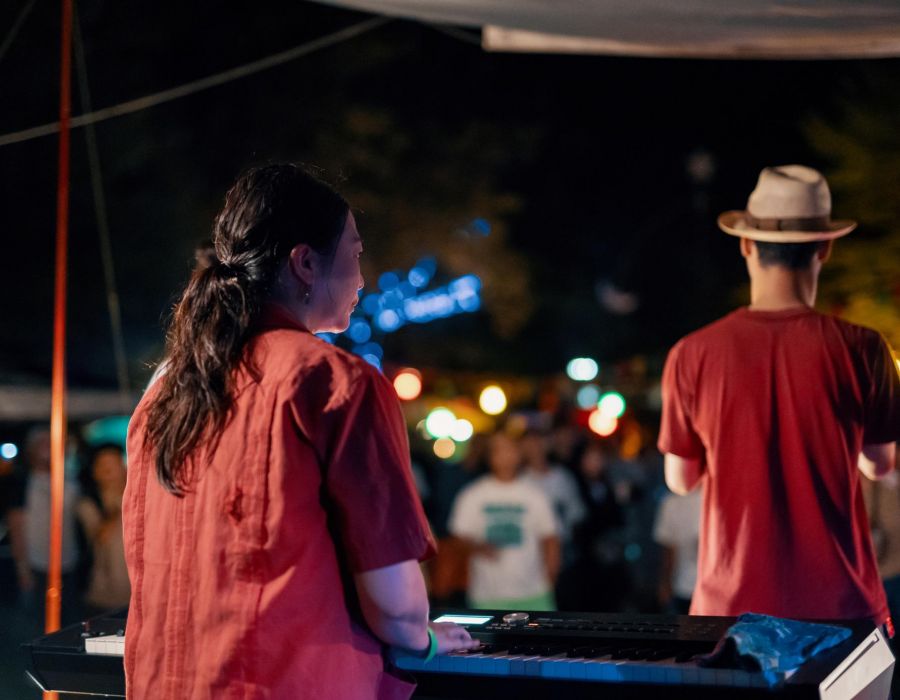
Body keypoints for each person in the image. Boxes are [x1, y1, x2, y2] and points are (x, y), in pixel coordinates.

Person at [123, 164, 477, 700]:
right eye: (355, 255)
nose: (361, 278)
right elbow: (398, 608)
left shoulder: (162, 393)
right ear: (305, 262)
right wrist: (426, 640)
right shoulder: (334, 381)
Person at [659, 165, 900, 627]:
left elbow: (681, 479)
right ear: (825, 247)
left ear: (746, 244)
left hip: (728, 614)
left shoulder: (691, 353)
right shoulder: (864, 348)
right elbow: (879, 463)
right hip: (842, 610)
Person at [448, 431, 560, 611]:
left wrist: (550, 580)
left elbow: (550, 538)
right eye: (498, 451)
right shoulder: (473, 494)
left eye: (510, 449)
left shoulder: (534, 494)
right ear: (489, 456)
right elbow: (458, 538)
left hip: (533, 593)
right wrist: (478, 547)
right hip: (488, 594)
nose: (505, 456)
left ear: (518, 453)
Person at [76, 443, 130, 613]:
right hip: (103, 593)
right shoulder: (88, 504)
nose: (109, 472)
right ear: (94, 471)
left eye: (114, 465)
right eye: (103, 466)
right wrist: (118, 506)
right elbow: (100, 537)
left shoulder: (141, 499)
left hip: (137, 591)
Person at [520, 428, 586, 565]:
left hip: (563, 545)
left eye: (538, 443)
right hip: (531, 549)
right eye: (530, 445)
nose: (535, 449)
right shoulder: (520, 481)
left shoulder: (563, 476)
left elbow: (577, 512)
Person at [652, 488, 701, 614]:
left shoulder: (671, 502)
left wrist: (664, 583)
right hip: (687, 586)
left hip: (684, 585)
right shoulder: (671, 502)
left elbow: (668, 551)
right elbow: (668, 551)